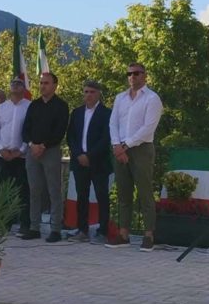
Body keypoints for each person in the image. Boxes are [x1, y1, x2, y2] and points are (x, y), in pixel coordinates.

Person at [106, 62, 164, 252]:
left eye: (137, 73)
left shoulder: (152, 98)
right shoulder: (120, 98)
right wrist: (117, 145)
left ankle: (149, 235)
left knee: (145, 193)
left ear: (144, 75)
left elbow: (148, 127)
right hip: (120, 148)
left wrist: (125, 145)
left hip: (141, 149)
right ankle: (123, 234)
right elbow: (113, 123)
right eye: (129, 73)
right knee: (123, 193)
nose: (132, 76)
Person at [22, 71, 70, 243]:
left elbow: (60, 130)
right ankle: (34, 227)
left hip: (50, 151)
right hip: (32, 151)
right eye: (41, 83)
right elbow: (25, 129)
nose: (43, 86)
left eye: (46, 83)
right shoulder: (34, 105)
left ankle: (55, 228)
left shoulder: (61, 106)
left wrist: (43, 146)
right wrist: (32, 145)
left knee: (54, 190)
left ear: (55, 85)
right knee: (34, 190)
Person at [67, 81, 113, 242]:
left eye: (92, 92)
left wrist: (90, 156)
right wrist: (79, 154)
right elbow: (71, 136)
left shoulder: (106, 113)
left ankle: (103, 231)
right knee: (82, 196)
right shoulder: (77, 112)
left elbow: (106, 138)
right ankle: (82, 229)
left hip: (99, 162)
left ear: (99, 93)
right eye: (86, 92)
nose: (88, 95)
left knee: (102, 196)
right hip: (79, 162)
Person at [0, 80, 31, 233]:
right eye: (13, 84)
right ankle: (4, 223)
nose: (15, 87)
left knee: (23, 191)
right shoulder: (1, 108)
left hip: (21, 156)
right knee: (2, 190)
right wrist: (1, 149)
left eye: (18, 85)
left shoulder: (29, 106)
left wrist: (21, 150)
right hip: (3, 155)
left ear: (24, 89)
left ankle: (25, 224)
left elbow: (31, 130)